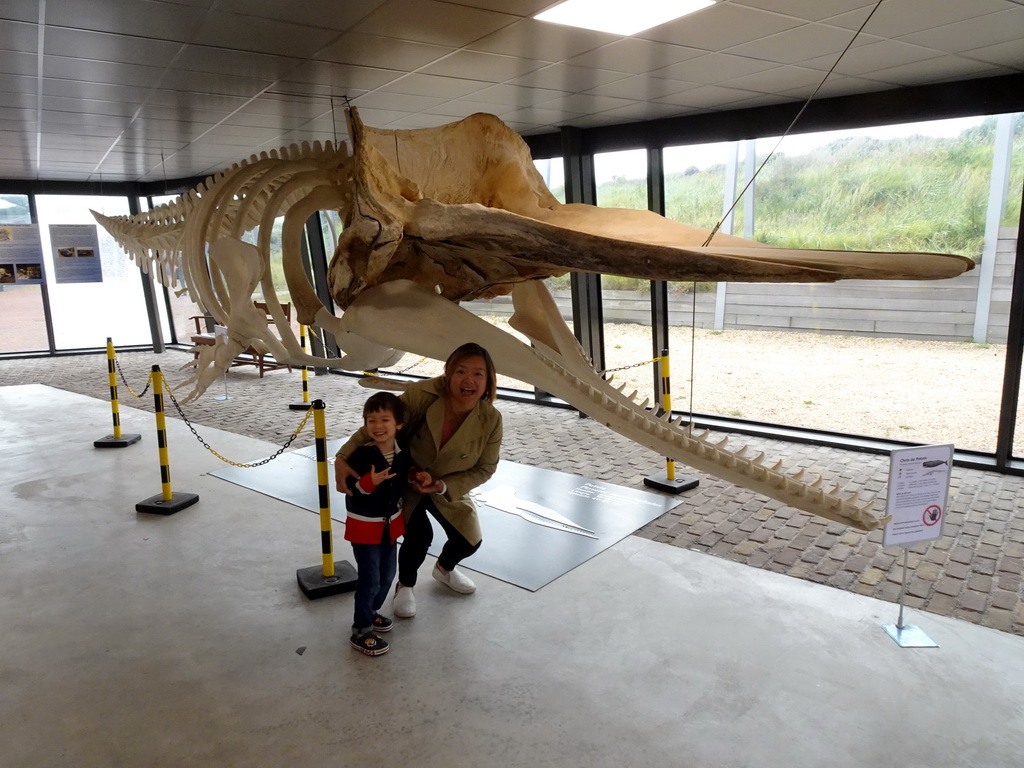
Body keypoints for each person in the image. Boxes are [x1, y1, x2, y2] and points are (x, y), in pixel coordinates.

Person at [335, 342, 503, 620]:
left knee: (469, 542)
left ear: (488, 382)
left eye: (478, 374)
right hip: (402, 480)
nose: (468, 380)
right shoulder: (422, 394)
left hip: (445, 487)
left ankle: (444, 569)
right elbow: (380, 424)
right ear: (448, 374)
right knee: (419, 535)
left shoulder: (491, 420)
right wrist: (343, 456)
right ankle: (405, 584)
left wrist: (441, 485)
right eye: (460, 371)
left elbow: (485, 468)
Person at [343, 391, 414, 656]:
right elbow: (349, 487)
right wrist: (368, 483)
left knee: (387, 575)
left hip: (390, 528)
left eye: (385, 419)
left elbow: (402, 482)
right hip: (364, 528)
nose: (377, 426)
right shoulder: (362, 456)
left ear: (399, 425)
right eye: (371, 420)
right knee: (370, 579)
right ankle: (361, 629)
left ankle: (371, 612)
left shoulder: (402, 455)